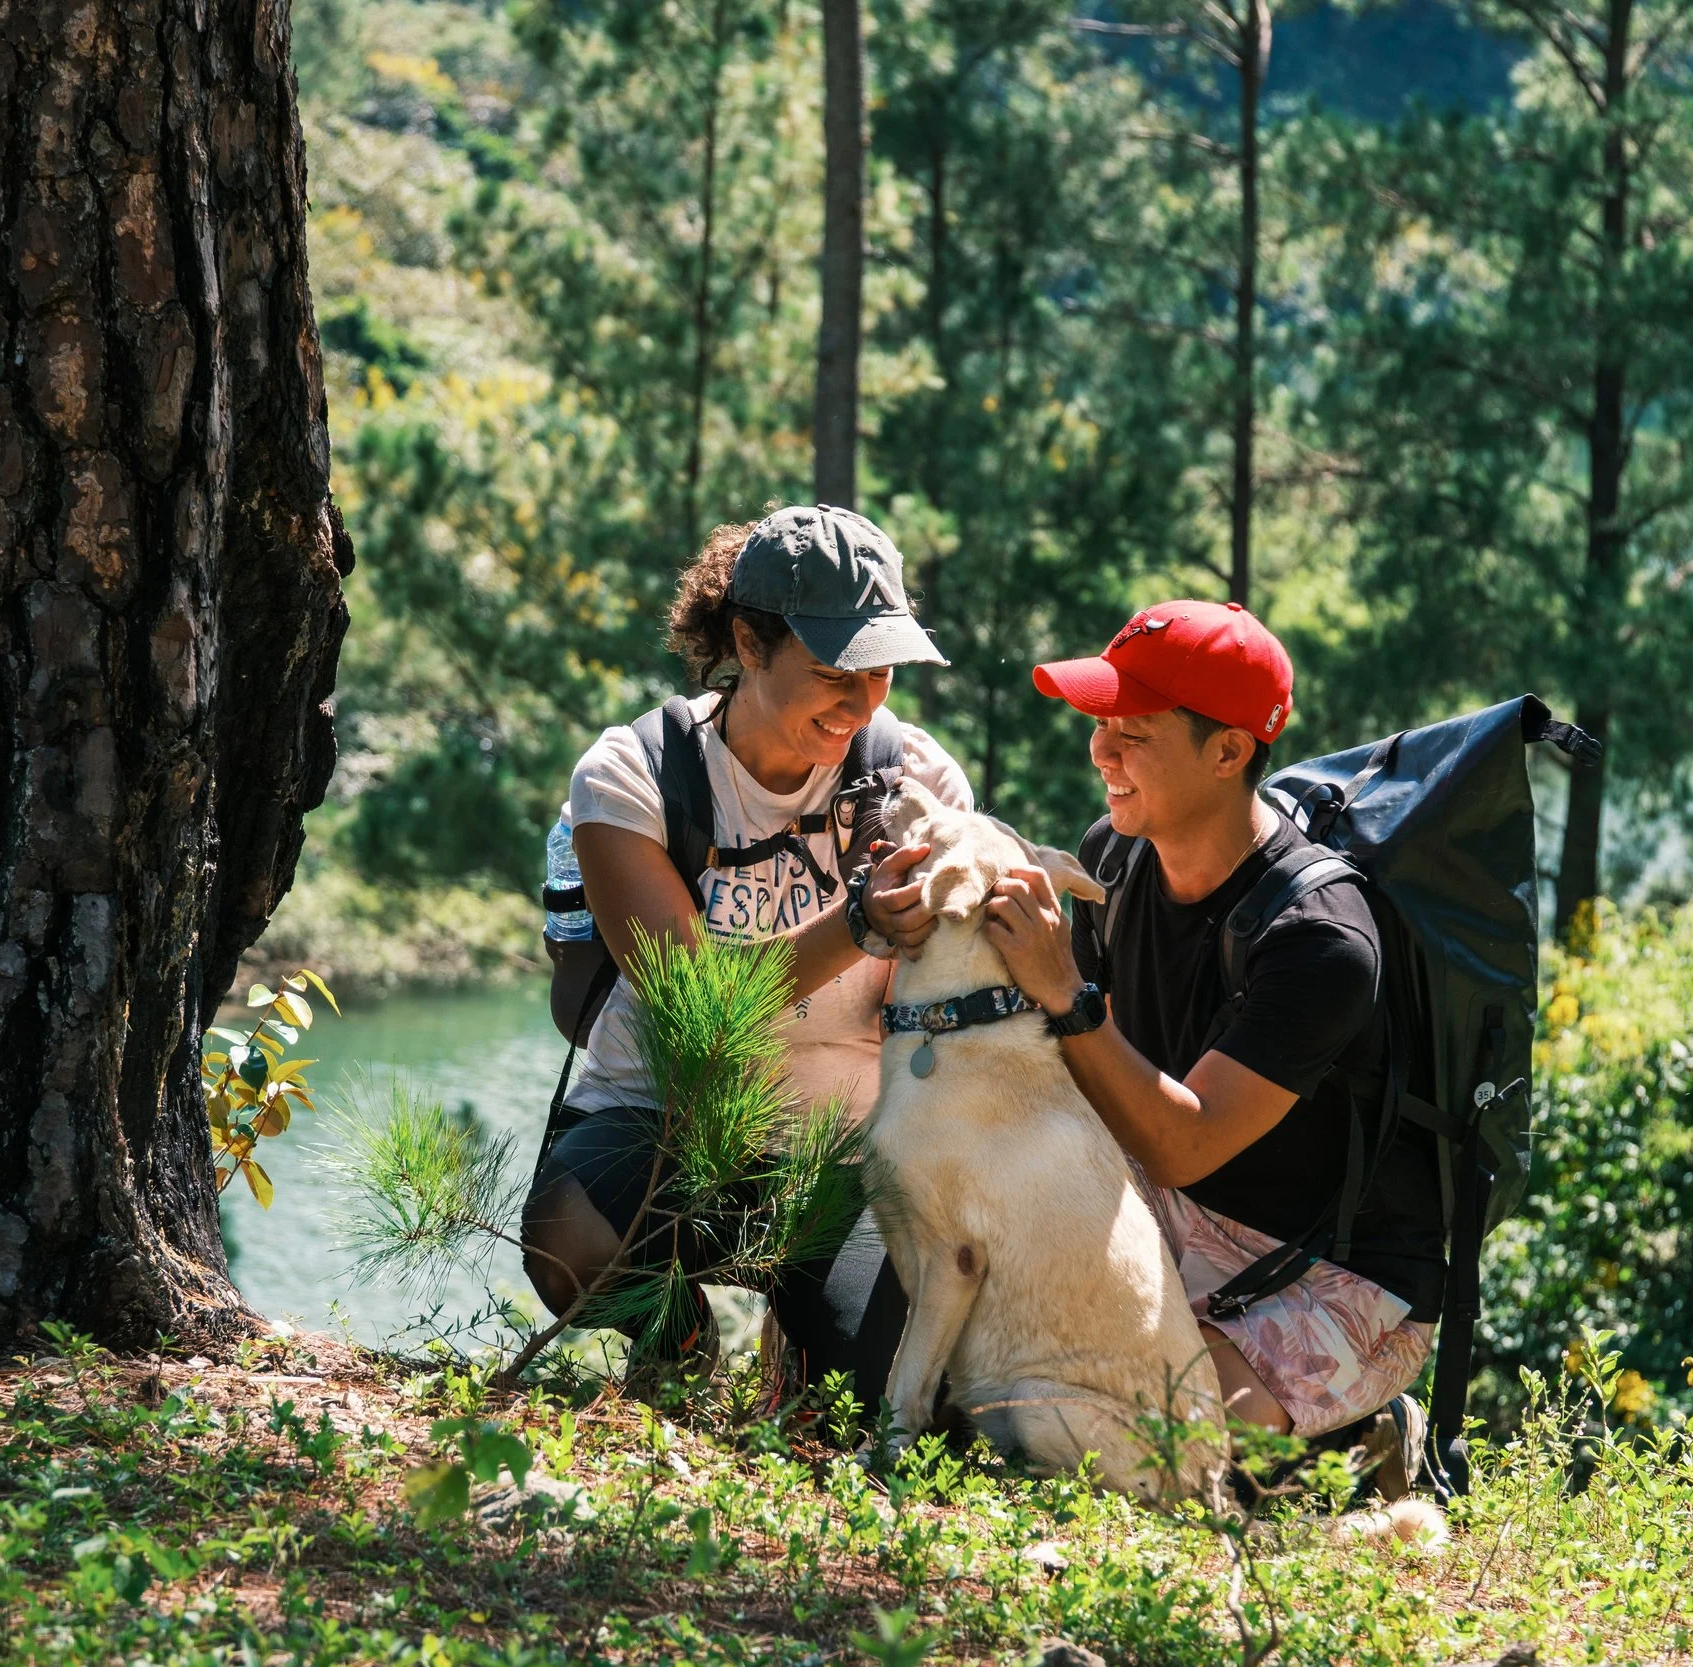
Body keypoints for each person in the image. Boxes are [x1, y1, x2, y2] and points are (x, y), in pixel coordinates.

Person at [976, 600, 1444, 1490]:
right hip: (1182, 1214)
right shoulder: (1113, 860)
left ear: (1228, 752)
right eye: (1101, 726)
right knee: (1008, 1372)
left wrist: (1062, 991)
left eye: (1134, 734)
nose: (1101, 753)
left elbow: (1183, 1144)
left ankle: (1367, 1434)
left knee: (1157, 1450)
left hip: (1333, 1269)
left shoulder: (1320, 940)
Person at [522, 505, 974, 1387]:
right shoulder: (632, 775)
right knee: (570, 1242)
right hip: (663, 1126)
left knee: (853, 1386)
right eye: (835, 670)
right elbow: (702, 998)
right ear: (749, 642)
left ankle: (800, 1355)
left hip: (846, 1151)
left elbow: (939, 1018)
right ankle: (679, 1340)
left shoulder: (915, 776)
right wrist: (858, 923)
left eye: (880, 671)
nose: (860, 700)